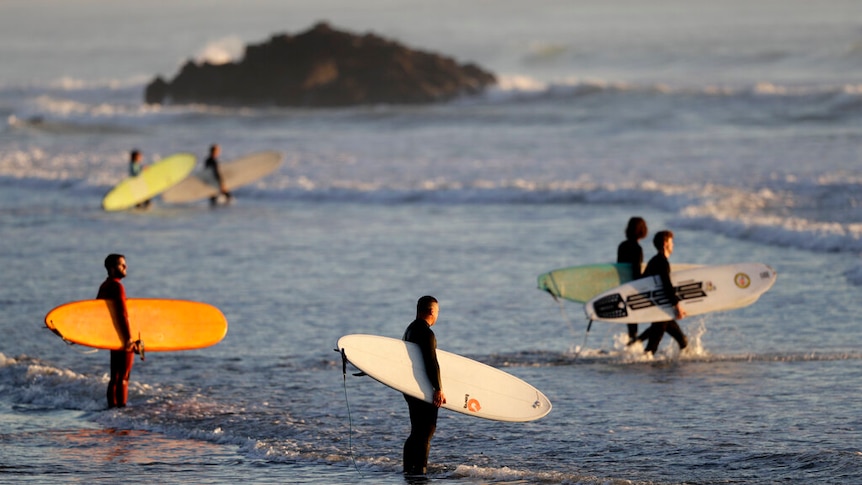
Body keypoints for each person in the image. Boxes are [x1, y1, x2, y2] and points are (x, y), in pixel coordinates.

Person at [402, 295, 446, 476]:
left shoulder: (410, 330)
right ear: (431, 311)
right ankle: (420, 471)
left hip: (410, 387)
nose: (437, 316)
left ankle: (408, 470)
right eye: (437, 312)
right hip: (422, 387)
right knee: (426, 430)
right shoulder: (427, 333)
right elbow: (431, 361)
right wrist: (438, 389)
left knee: (416, 431)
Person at [637, 230, 688, 354]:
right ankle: (636, 351)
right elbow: (667, 285)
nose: (673, 245)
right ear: (665, 244)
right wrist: (677, 306)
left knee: (682, 341)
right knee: (651, 349)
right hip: (660, 308)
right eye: (671, 242)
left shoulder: (655, 260)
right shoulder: (662, 262)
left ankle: (632, 344)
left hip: (659, 307)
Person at [97, 253, 137, 408]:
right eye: (122, 265)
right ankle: (121, 409)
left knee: (115, 376)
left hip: (113, 337)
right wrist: (128, 338)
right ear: (113, 269)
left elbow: (98, 311)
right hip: (122, 336)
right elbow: (122, 313)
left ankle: (111, 409)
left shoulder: (105, 286)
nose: (125, 267)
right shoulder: (117, 286)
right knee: (123, 377)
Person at [617, 217, 647, 343]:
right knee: (637, 320)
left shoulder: (622, 246)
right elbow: (636, 271)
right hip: (634, 288)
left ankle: (631, 344)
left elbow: (620, 267)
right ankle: (634, 345)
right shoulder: (637, 248)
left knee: (631, 324)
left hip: (623, 286)